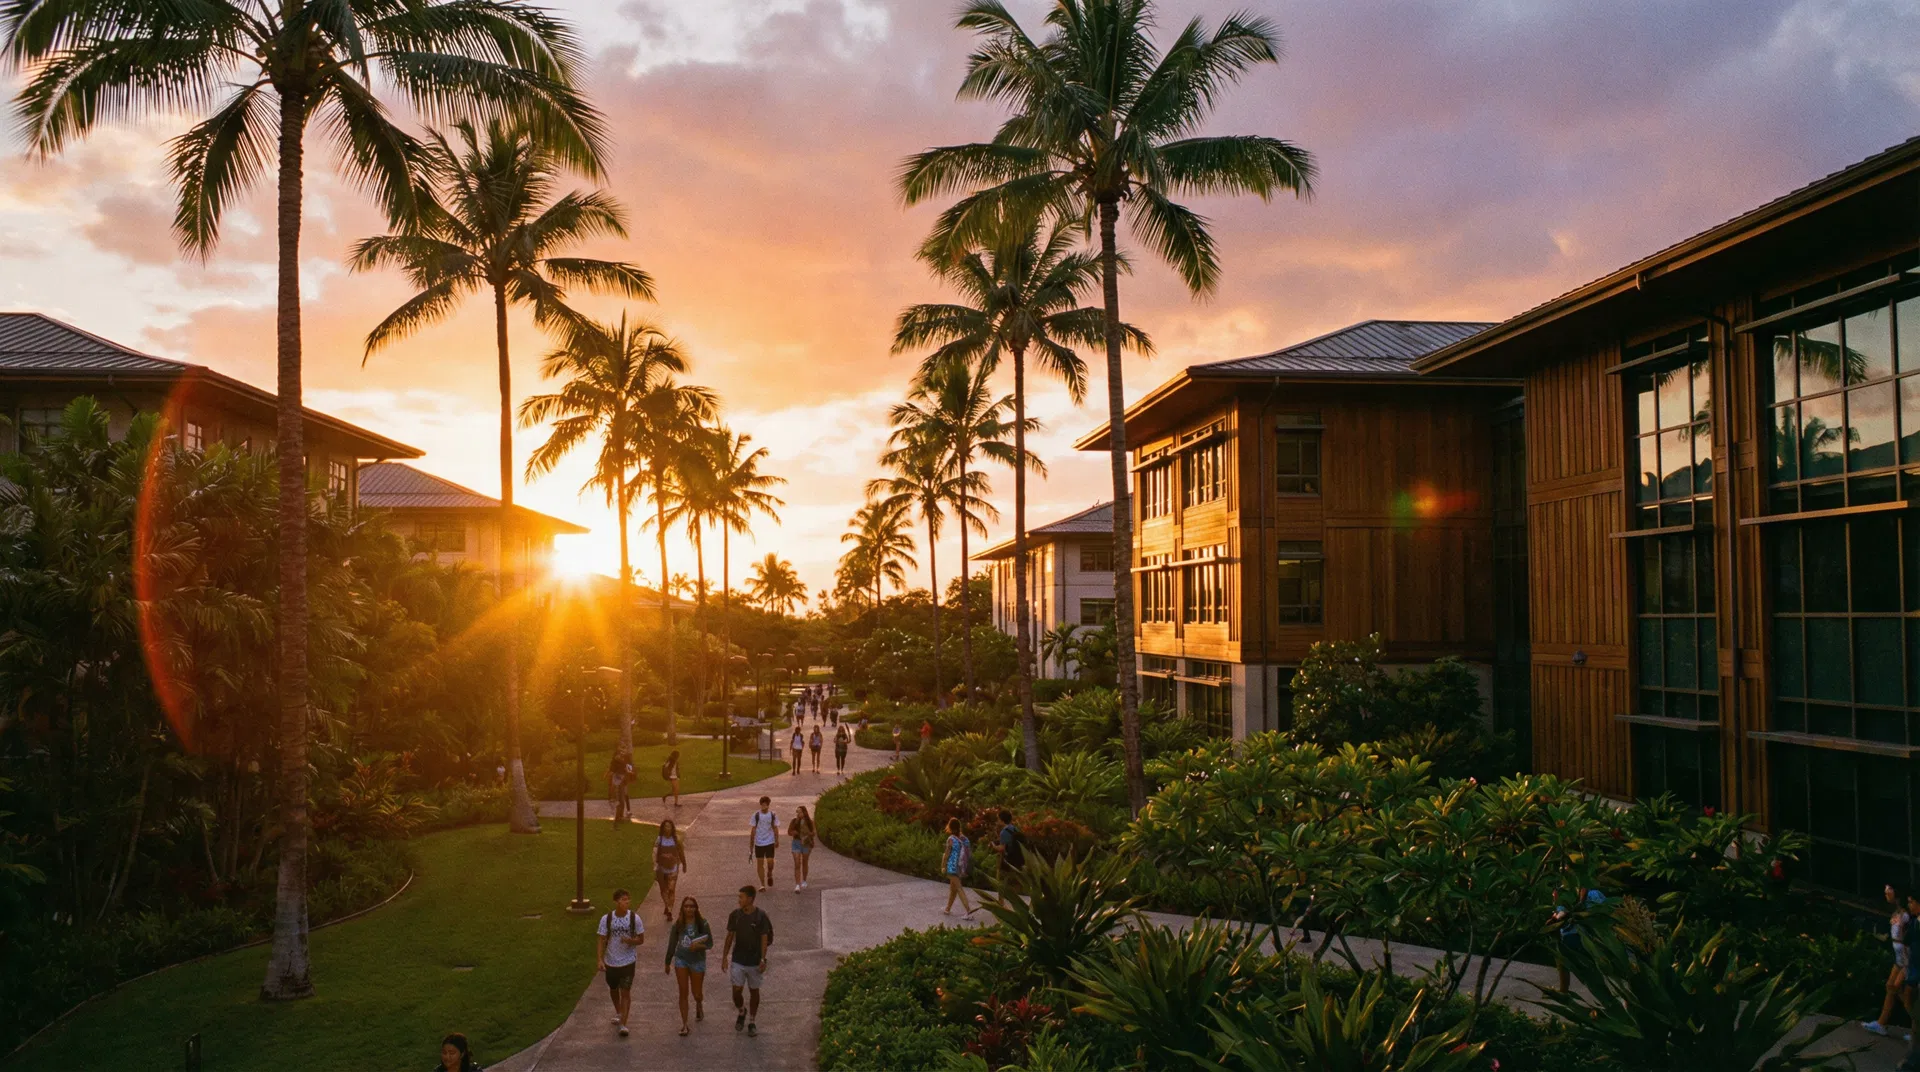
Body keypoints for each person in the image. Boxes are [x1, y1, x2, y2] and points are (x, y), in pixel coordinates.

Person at [723, 885, 775, 1037]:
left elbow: (764, 938)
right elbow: (729, 936)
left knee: (754, 991)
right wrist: (725, 957)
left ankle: (752, 1021)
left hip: (754, 961)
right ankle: (741, 1010)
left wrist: (763, 959)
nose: (739, 900)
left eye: (741, 897)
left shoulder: (760, 916)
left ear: (750, 899)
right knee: (736, 991)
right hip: (738, 959)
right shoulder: (735, 915)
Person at [595, 888, 645, 1037]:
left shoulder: (634, 918)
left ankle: (623, 1023)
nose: (626, 902)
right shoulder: (607, 919)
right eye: (623, 899)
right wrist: (600, 959)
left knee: (626, 991)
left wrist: (630, 940)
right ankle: (619, 1011)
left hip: (628, 961)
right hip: (611, 961)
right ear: (616, 901)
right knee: (613, 988)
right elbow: (601, 939)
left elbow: (641, 939)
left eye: (628, 899)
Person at [663, 895, 713, 1037]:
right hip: (681, 960)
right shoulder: (678, 925)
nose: (689, 909)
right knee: (683, 992)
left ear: (696, 908)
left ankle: (699, 1004)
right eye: (686, 906)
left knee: (696, 993)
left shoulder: (702, 923)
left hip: (697, 960)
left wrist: (697, 946)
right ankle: (684, 1024)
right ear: (682, 908)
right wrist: (667, 962)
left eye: (692, 906)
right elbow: (672, 944)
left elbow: (709, 943)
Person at [1870, 884, 1916, 1039]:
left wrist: (1907, 961)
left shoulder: (1906, 915)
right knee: (1890, 987)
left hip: (1905, 958)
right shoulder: (1898, 912)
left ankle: (1916, 1025)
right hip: (1899, 957)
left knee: (1896, 988)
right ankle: (1881, 1023)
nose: (1885, 891)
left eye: (1888, 888)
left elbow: (1906, 938)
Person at [654, 818, 688, 919]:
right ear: (662, 828)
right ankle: (667, 904)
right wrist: (655, 865)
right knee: (663, 890)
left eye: (669, 826)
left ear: (672, 828)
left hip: (673, 868)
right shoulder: (659, 839)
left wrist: (684, 864)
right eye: (665, 826)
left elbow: (681, 852)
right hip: (661, 868)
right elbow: (654, 852)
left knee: (671, 889)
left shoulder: (676, 839)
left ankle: (669, 909)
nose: (667, 828)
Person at [941, 817, 974, 915]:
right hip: (961, 868)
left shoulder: (951, 839)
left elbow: (947, 854)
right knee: (953, 888)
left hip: (952, 867)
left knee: (958, 888)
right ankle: (948, 908)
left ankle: (969, 910)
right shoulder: (965, 839)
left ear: (950, 827)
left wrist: (943, 866)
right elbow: (969, 854)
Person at [749, 796, 780, 889]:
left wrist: (777, 839)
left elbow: (775, 827)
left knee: (770, 862)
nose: (763, 806)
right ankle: (762, 884)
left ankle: (769, 873)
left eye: (765, 805)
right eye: (762, 805)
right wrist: (751, 842)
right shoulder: (756, 815)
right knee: (760, 863)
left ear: (768, 805)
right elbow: (753, 829)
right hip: (759, 842)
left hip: (770, 841)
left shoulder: (772, 815)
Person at [996, 808, 1026, 885]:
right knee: (1016, 880)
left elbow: (1002, 848)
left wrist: (994, 846)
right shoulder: (1015, 829)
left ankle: (1002, 896)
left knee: (1003, 880)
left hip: (1008, 859)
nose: (997, 821)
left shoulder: (1003, 832)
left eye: (998, 819)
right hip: (1018, 858)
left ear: (1002, 820)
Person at [790, 805, 816, 891]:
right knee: (797, 862)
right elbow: (789, 832)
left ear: (804, 812)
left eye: (800, 812)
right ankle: (797, 884)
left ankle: (804, 880)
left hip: (806, 843)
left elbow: (814, 832)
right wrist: (794, 832)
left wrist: (808, 835)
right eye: (797, 812)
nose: (798, 813)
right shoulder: (794, 821)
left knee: (805, 861)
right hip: (796, 843)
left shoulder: (809, 822)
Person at [606, 752, 630, 824]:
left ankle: (619, 816)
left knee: (621, 800)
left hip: (621, 782)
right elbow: (612, 772)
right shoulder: (616, 763)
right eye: (619, 755)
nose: (621, 756)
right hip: (618, 782)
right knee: (620, 800)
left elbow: (626, 771)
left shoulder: (622, 762)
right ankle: (619, 817)